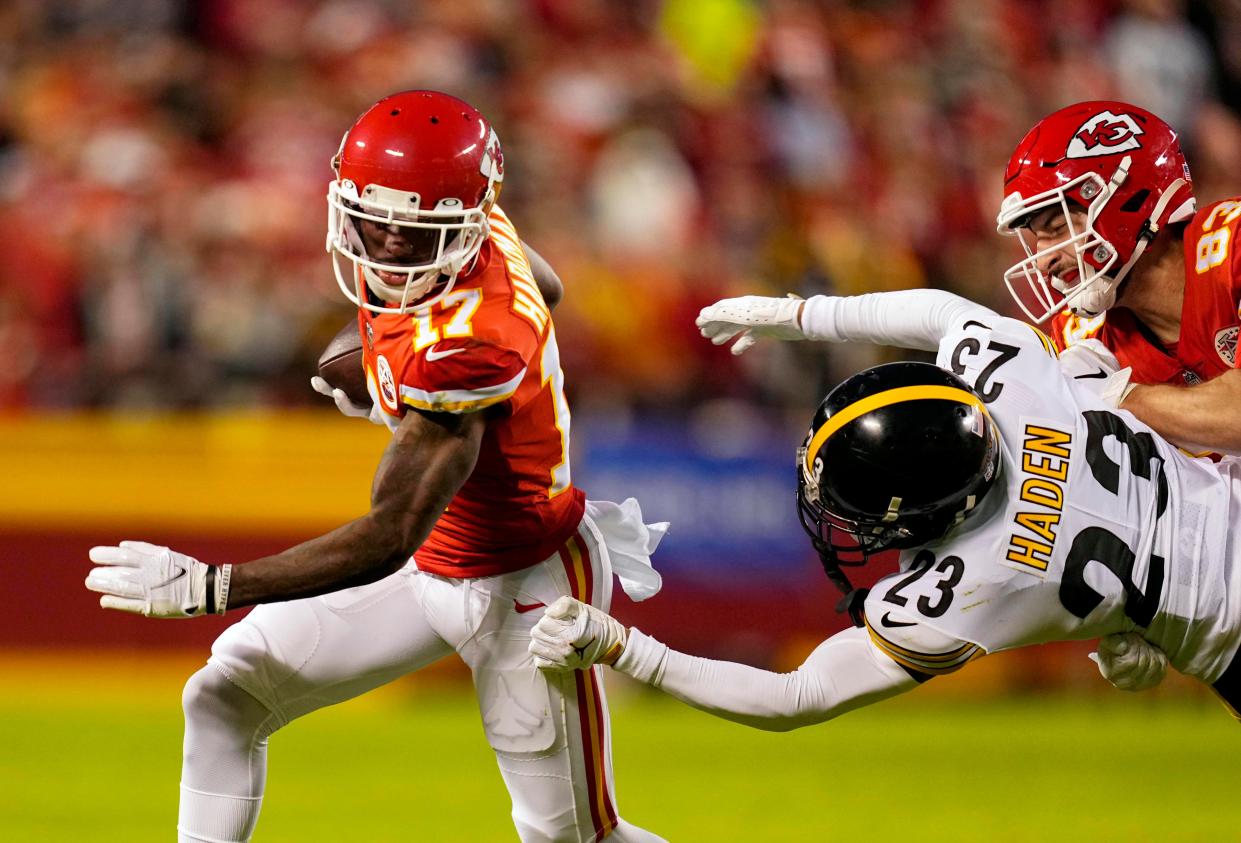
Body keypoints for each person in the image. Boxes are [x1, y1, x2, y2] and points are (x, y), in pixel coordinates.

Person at [85, 90, 667, 843]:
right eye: (376, 218)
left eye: (414, 229)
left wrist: (213, 586)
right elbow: (543, 286)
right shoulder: (480, 224)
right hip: (438, 561)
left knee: (572, 837)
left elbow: (387, 532)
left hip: (524, 580)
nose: (389, 242)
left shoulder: (473, 342)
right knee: (225, 693)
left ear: (458, 226)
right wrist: (391, 367)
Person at [526, 289, 1241, 738]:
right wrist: (805, 316)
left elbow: (793, 696)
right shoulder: (1022, 378)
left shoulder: (975, 585)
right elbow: (942, 313)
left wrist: (623, 647)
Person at [996, 99, 1241, 456]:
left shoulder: (1233, 243)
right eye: (1038, 238)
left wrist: (1122, 399)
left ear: (1129, 199)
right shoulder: (1082, 336)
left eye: (1059, 226)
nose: (1043, 259)